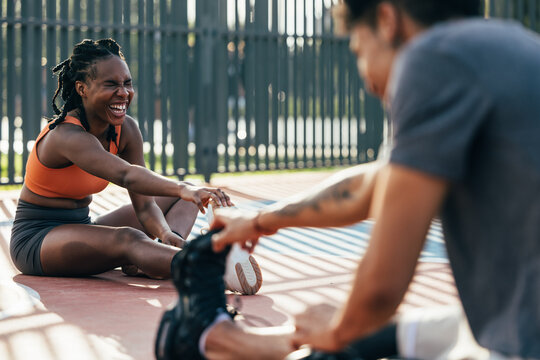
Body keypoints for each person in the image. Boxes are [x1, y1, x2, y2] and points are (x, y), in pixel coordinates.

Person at [155, 0, 540, 359]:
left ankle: (214, 339)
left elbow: (378, 292)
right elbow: (375, 184)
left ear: (387, 21)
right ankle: (226, 340)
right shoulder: (511, 50)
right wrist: (259, 220)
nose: (368, 80)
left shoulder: (431, 60)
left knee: (348, 332)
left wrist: (340, 329)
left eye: (358, 50)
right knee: (411, 331)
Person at [9, 38, 235, 279]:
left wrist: (165, 233)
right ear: (81, 88)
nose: (124, 93)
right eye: (111, 84)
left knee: (187, 198)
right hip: (38, 239)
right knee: (129, 237)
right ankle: (211, 269)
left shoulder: (125, 130)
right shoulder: (65, 135)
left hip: (83, 228)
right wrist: (180, 188)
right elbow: (127, 175)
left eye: (128, 83)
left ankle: (164, 254)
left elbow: (145, 205)